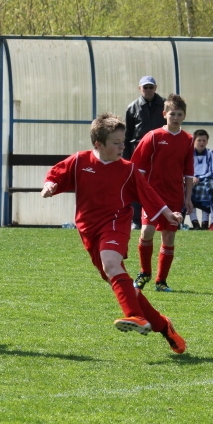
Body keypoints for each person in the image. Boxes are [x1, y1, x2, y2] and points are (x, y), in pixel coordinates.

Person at [41, 113, 186, 354]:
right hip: (88, 230)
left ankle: (134, 316)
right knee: (120, 281)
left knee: (111, 262)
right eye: (116, 143)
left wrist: (167, 213)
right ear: (98, 144)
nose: (122, 147)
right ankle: (163, 325)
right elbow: (56, 175)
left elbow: (148, 194)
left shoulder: (127, 170)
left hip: (116, 222)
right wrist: (50, 186)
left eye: (123, 141)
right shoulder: (80, 161)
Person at [131, 94, 195, 293]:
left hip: (174, 195)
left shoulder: (187, 139)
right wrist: (139, 192)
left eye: (179, 114)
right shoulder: (153, 136)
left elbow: (189, 171)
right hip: (153, 195)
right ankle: (144, 273)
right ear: (164, 114)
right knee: (146, 231)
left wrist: (188, 197)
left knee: (168, 237)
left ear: (184, 116)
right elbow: (137, 168)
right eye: (172, 113)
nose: (175, 117)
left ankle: (161, 281)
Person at [124, 76, 167, 230]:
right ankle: (136, 220)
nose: (148, 90)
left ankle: (161, 218)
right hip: (138, 152)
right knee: (137, 184)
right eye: (145, 87)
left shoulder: (164, 105)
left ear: (156, 87)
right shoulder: (132, 108)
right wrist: (126, 158)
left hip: (160, 152)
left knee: (159, 184)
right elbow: (127, 135)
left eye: (151, 87)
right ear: (139, 88)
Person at [188, 129, 213, 230]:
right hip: (191, 180)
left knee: (207, 193)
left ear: (207, 141)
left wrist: (200, 178)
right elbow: (185, 169)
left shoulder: (211, 154)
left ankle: (205, 223)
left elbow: (211, 170)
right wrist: (192, 177)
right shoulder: (188, 154)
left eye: (204, 140)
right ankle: (195, 223)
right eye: (199, 140)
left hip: (205, 180)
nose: (201, 143)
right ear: (194, 141)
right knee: (188, 195)